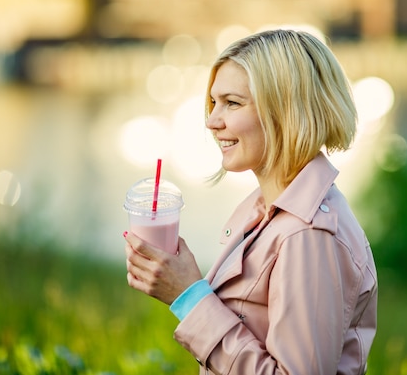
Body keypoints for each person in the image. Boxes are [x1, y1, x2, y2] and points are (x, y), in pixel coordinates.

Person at [124, 28, 378, 375]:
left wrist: (189, 297)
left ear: (285, 108)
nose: (212, 121)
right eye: (213, 103)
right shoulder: (266, 212)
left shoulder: (307, 235)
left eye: (232, 102)